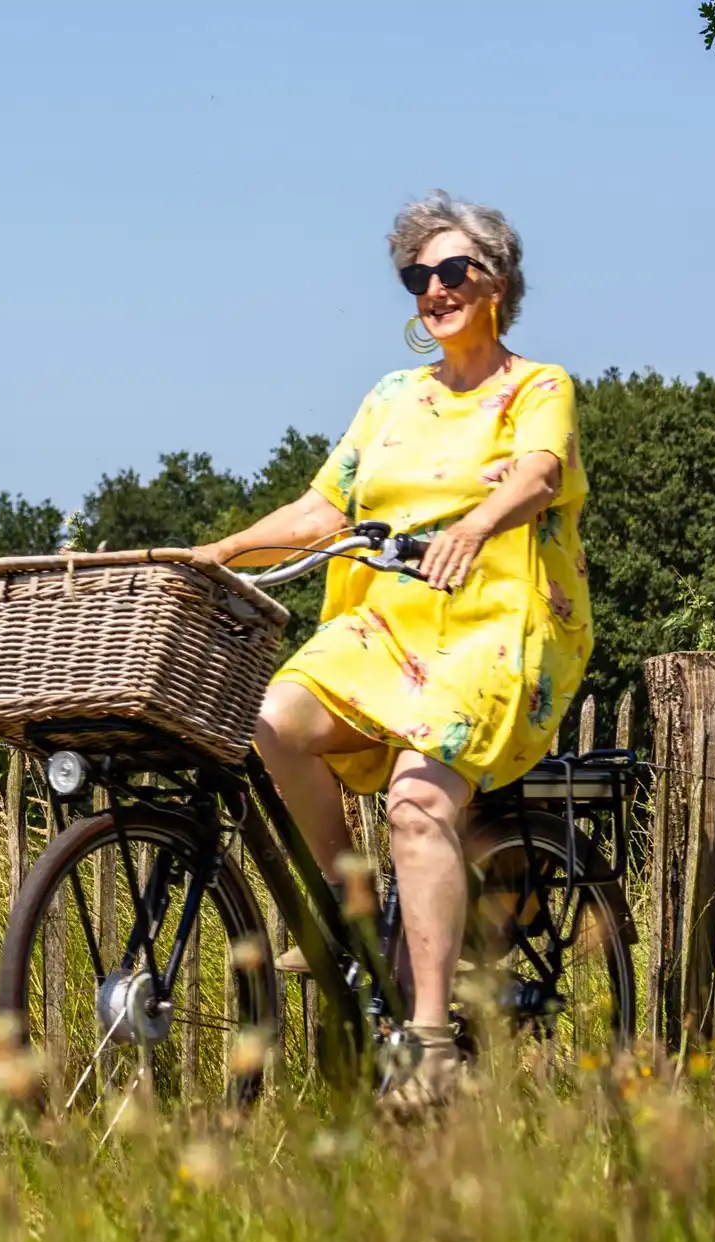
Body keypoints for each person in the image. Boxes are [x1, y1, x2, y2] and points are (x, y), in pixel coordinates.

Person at [195, 190, 591, 1109]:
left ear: (497, 281)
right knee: (273, 720)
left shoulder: (537, 388)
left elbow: (540, 474)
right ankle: (353, 905)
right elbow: (322, 510)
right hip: (390, 624)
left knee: (418, 802)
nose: (434, 289)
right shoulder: (390, 400)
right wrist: (212, 554)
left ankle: (425, 1041)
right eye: (419, 277)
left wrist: (480, 521)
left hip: (498, 624)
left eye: (453, 271)